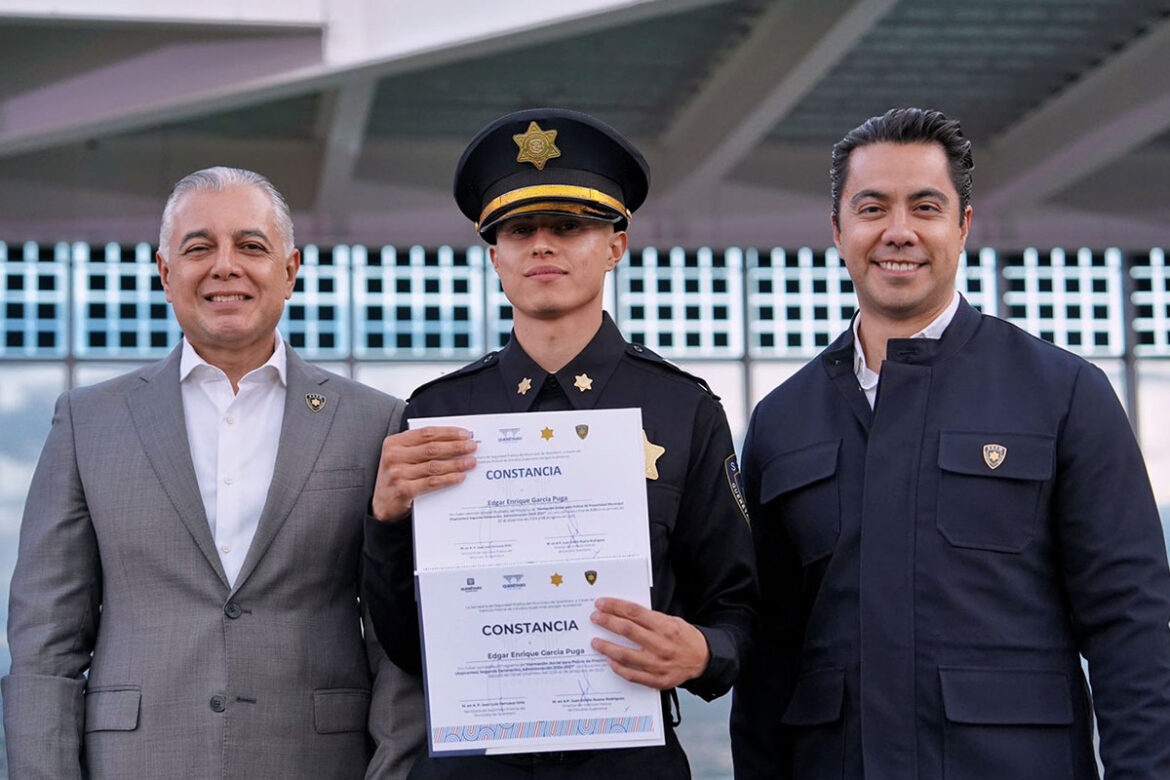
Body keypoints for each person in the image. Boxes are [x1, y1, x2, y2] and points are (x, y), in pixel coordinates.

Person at [729, 107, 1170, 778]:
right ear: (837, 230)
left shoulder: (1062, 394)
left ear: (963, 225)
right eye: (872, 208)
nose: (898, 231)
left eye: (925, 207)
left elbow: (1132, 627)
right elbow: (770, 658)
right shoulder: (783, 420)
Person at [362, 108, 757, 778]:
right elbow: (405, 642)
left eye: (569, 227)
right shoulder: (436, 414)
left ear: (616, 245)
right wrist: (386, 524)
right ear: (495, 256)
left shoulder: (681, 408)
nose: (541, 245)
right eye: (519, 230)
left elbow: (740, 607)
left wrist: (704, 654)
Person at [2, 167, 424, 779]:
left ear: (290, 271)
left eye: (251, 247)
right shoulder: (87, 422)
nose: (225, 266)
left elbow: (394, 639)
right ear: (166, 273)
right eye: (199, 248)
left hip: (317, 761)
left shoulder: (375, 422)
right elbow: (46, 639)